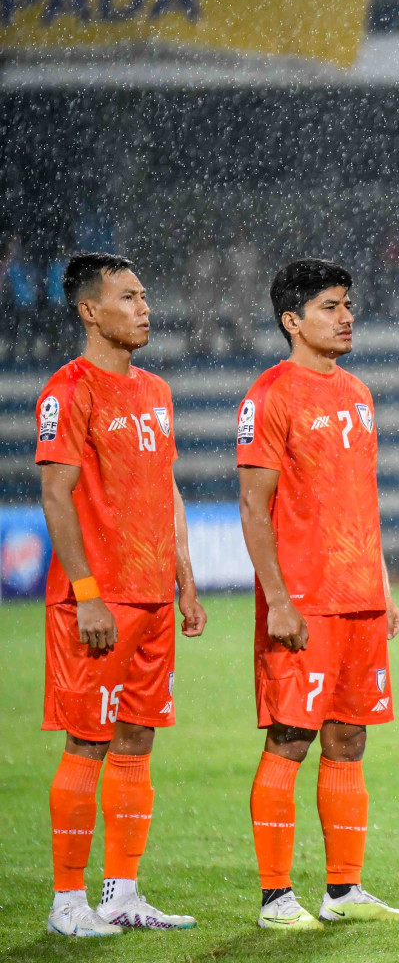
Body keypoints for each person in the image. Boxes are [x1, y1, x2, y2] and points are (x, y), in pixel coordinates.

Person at [237, 259, 399, 929]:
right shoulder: (269, 395)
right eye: (331, 307)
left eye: (350, 306)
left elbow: (358, 504)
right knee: (290, 738)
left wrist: (384, 586)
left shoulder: (359, 393)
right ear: (292, 320)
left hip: (360, 596)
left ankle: (343, 891)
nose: (347, 317)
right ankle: (275, 898)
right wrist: (278, 599)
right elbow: (255, 509)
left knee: (348, 739)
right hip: (305, 601)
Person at [37, 252, 207, 937]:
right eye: (129, 298)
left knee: (137, 741)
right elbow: (56, 493)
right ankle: (66, 904)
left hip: (153, 599)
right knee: (88, 743)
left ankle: (123, 893)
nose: (144, 308)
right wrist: (87, 594)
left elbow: (166, 488)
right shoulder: (67, 389)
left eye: (145, 297)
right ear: (89, 310)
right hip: (97, 601)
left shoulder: (156, 392)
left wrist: (185, 580)